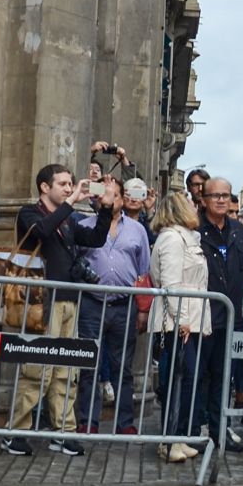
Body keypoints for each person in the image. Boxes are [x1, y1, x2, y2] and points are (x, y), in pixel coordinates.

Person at [1, 164, 110, 457]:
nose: (68, 187)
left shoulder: (69, 220)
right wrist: (73, 201)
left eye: (71, 183)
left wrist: (105, 208)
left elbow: (97, 238)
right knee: (37, 370)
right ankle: (16, 432)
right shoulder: (30, 213)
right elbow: (42, 232)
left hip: (69, 301)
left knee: (66, 371)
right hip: (41, 303)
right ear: (44, 187)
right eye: (62, 183)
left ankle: (63, 432)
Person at [74, 177, 151, 435]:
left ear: (123, 198)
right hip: (92, 303)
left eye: (114, 194)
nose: (109, 199)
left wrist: (142, 309)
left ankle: (124, 422)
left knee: (123, 367)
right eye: (104, 194)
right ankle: (88, 420)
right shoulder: (84, 226)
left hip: (123, 305)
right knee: (88, 365)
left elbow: (143, 272)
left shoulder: (138, 231)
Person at [148, 191, 207, 463]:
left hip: (188, 319)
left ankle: (177, 437)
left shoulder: (182, 237)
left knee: (186, 379)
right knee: (179, 379)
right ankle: (170, 439)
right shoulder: (172, 238)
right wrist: (181, 317)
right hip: (178, 321)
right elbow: (170, 282)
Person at [196, 177, 243, 452]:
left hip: (230, 317)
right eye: (215, 195)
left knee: (223, 377)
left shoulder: (239, 231)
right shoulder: (194, 228)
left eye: (226, 195)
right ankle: (192, 431)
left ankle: (220, 433)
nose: (221, 200)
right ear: (203, 198)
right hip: (201, 317)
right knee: (196, 377)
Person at [122, 178, 154, 244]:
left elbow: (152, 239)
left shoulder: (145, 220)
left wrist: (149, 211)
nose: (134, 199)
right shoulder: (115, 217)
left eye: (138, 194)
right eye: (130, 194)